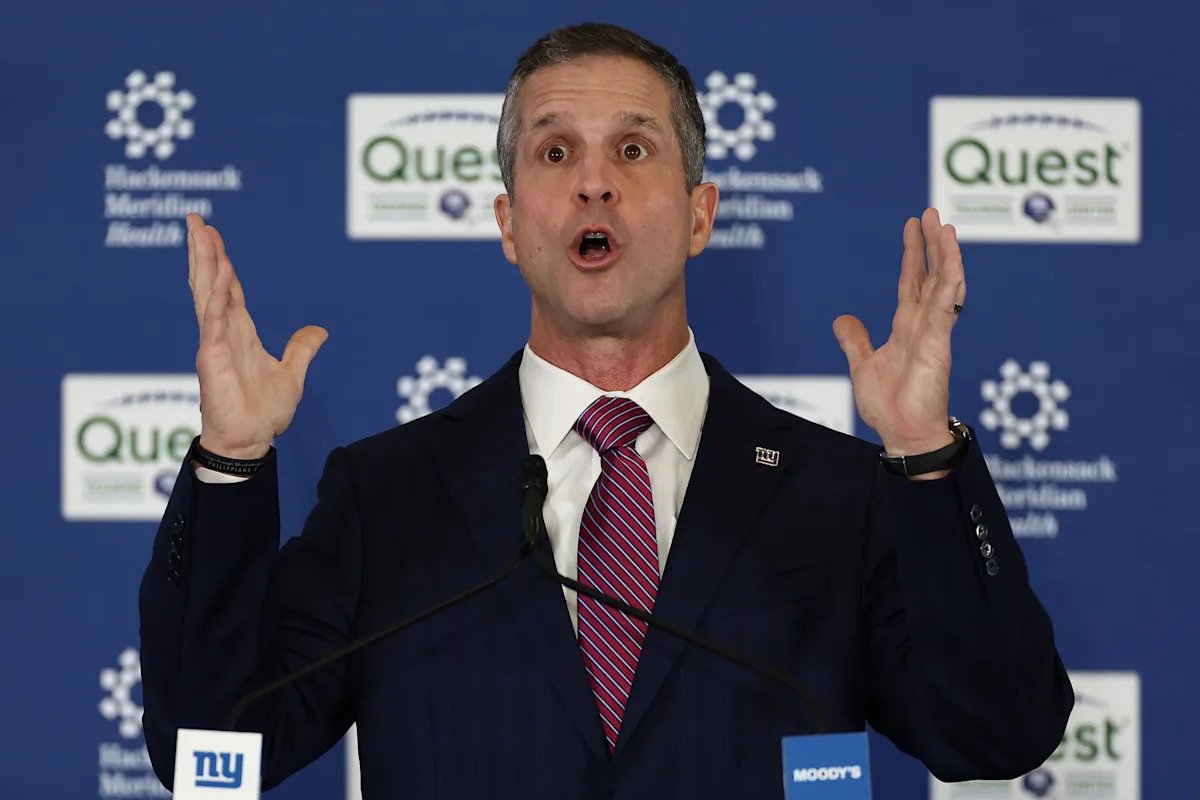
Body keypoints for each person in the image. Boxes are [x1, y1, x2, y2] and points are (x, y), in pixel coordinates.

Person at [139, 22, 1073, 798]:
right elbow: (211, 752)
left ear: (700, 215)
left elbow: (998, 736)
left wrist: (923, 454)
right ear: (509, 224)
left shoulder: (836, 494)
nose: (595, 182)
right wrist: (230, 460)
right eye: (556, 152)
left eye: (633, 149)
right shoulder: (388, 495)